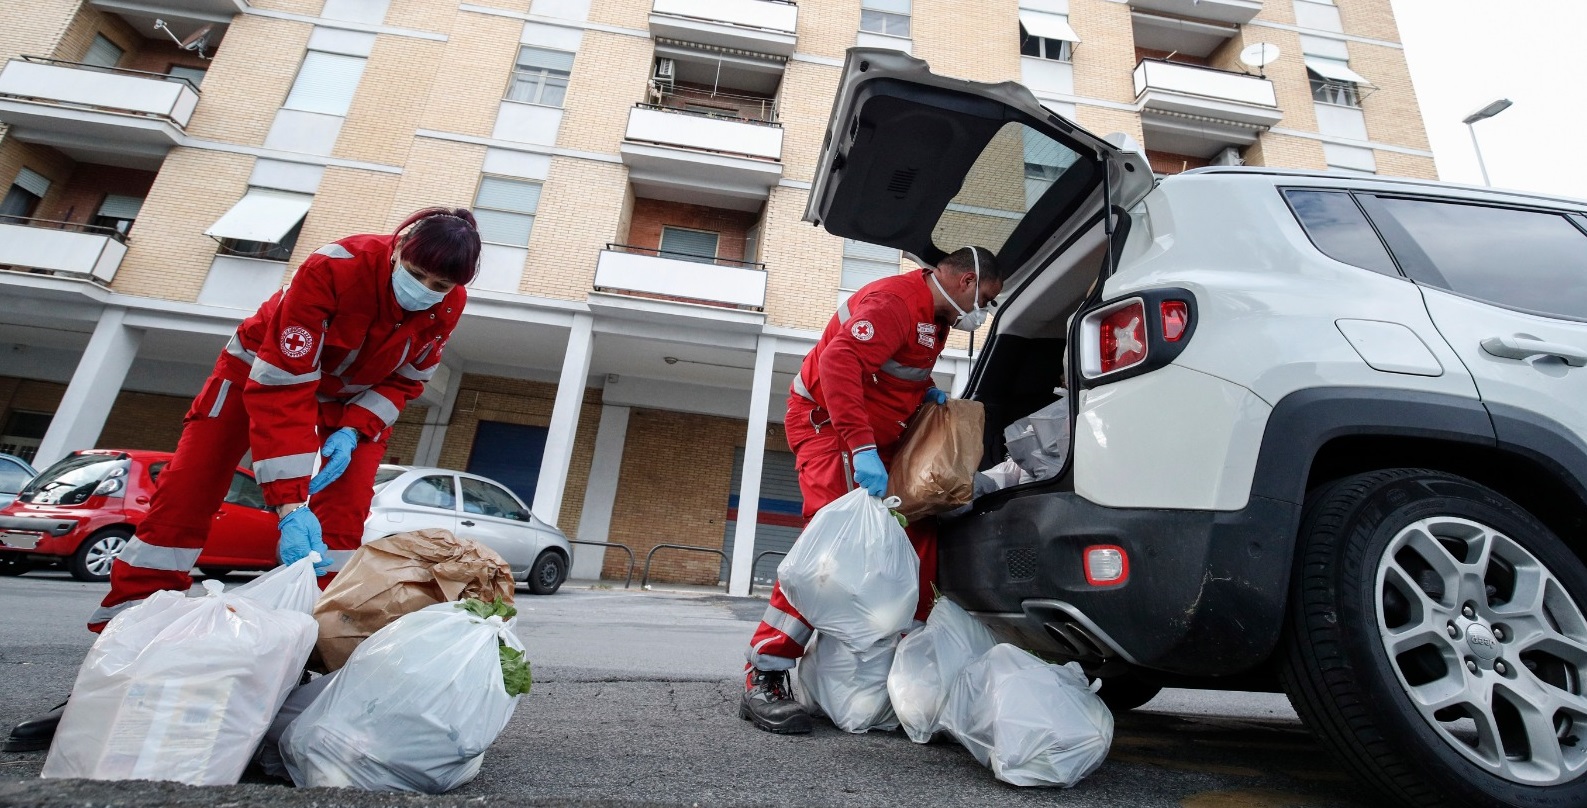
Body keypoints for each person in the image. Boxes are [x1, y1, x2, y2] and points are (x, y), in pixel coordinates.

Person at [2, 207, 480, 753]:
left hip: (349, 405)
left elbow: (405, 381)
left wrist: (357, 428)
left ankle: (295, 682)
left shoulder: (448, 303)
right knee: (177, 515)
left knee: (341, 536)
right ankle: (111, 675)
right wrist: (287, 503)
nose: (424, 290)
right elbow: (283, 387)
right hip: (260, 372)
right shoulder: (335, 266)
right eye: (416, 275)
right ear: (397, 248)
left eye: (439, 285)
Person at [740, 245, 1005, 734]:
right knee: (830, 554)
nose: (983, 313)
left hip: (879, 439)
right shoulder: (896, 302)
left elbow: (890, 369)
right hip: (830, 429)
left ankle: (908, 667)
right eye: (986, 300)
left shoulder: (936, 319)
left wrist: (921, 390)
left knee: (918, 538)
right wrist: (861, 449)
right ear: (967, 282)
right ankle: (767, 672)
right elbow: (840, 362)